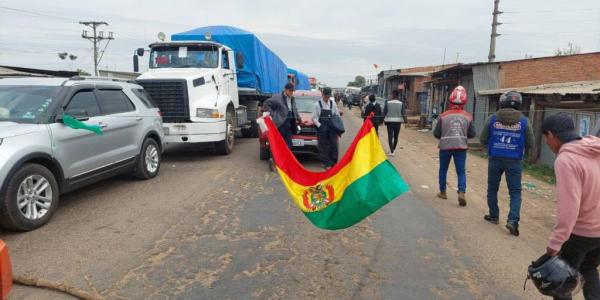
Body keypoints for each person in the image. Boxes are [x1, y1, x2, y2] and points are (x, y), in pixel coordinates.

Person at [541, 113, 600, 300]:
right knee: (589, 270)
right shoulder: (595, 150)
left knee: (562, 281)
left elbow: (570, 207)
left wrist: (556, 242)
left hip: (580, 233)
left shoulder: (566, 160)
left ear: (551, 135)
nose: (546, 143)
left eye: (545, 138)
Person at [479, 91, 535, 236]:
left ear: (502, 103)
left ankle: (494, 215)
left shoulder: (493, 118)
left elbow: (483, 139)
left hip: (495, 158)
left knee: (492, 189)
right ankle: (513, 220)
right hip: (515, 161)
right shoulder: (524, 121)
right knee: (515, 192)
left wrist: (495, 142)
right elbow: (531, 142)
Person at [433, 86, 476, 207]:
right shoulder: (468, 116)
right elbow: (472, 134)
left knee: (443, 170)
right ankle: (461, 192)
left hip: (445, 147)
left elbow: (436, 134)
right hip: (461, 148)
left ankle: (443, 192)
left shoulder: (443, 116)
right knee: (461, 172)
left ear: (450, 101)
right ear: (464, 102)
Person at [263, 83, 300, 149]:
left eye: (292, 91)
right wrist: (273, 114)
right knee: (279, 145)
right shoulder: (277, 97)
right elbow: (266, 104)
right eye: (290, 91)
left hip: (289, 126)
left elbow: (295, 110)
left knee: (288, 146)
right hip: (280, 125)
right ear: (285, 90)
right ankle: (276, 158)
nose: (292, 92)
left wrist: (299, 119)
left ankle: (285, 159)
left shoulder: (292, 99)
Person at [313, 87, 341, 169]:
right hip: (322, 128)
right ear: (322, 94)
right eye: (326, 96)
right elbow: (314, 118)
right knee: (323, 146)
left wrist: (337, 127)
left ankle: (334, 163)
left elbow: (337, 115)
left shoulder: (333, 104)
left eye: (329, 96)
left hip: (332, 128)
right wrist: (320, 126)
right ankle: (325, 162)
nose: (327, 98)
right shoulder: (317, 105)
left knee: (334, 145)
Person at [384, 90, 407, 156]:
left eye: (391, 94)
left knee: (390, 137)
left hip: (389, 122)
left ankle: (391, 151)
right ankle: (393, 149)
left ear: (393, 95)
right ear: (398, 95)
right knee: (396, 136)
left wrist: (381, 121)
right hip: (398, 122)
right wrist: (406, 121)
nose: (390, 96)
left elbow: (384, 112)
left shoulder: (388, 103)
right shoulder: (401, 103)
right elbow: (403, 113)